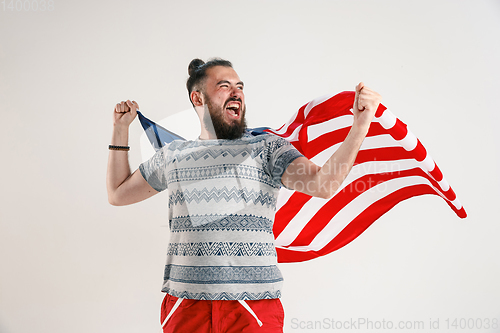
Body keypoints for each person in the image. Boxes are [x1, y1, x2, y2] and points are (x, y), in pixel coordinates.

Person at [106, 58, 382, 332]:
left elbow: (323, 184)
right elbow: (118, 193)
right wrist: (121, 129)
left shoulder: (268, 148)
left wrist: (360, 126)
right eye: (224, 86)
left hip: (252, 306)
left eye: (239, 86)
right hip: (185, 304)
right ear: (197, 97)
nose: (236, 92)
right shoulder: (174, 155)